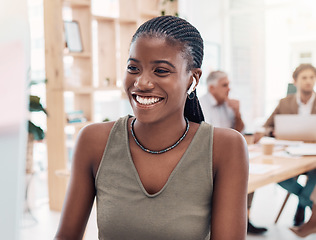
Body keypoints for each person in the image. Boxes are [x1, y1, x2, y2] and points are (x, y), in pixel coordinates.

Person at [54, 15, 249, 240]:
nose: (141, 83)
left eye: (161, 71)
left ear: (192, 79)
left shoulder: (225, 148)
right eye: (133, 68)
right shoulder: (93, 141)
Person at [199, 71, 267, 235]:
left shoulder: (227, 105)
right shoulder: (201, 105)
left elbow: (238, 132)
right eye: (225, 85)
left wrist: (237, 114)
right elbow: (205, 138)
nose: (229, 89)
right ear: (212, 88)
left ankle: (244, 218)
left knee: (249, 172)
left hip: (228, 155)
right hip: (208, 156)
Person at [264, 63, 316, 226]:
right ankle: (308, 202)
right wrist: (272, 132)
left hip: (314, 154)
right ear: (295, 81)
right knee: (273, 174)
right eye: (304, 77)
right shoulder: (284, 103)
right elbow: (267, 126)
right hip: (289, 153)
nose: (308, 81)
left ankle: (301, 206)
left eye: (312, 77)